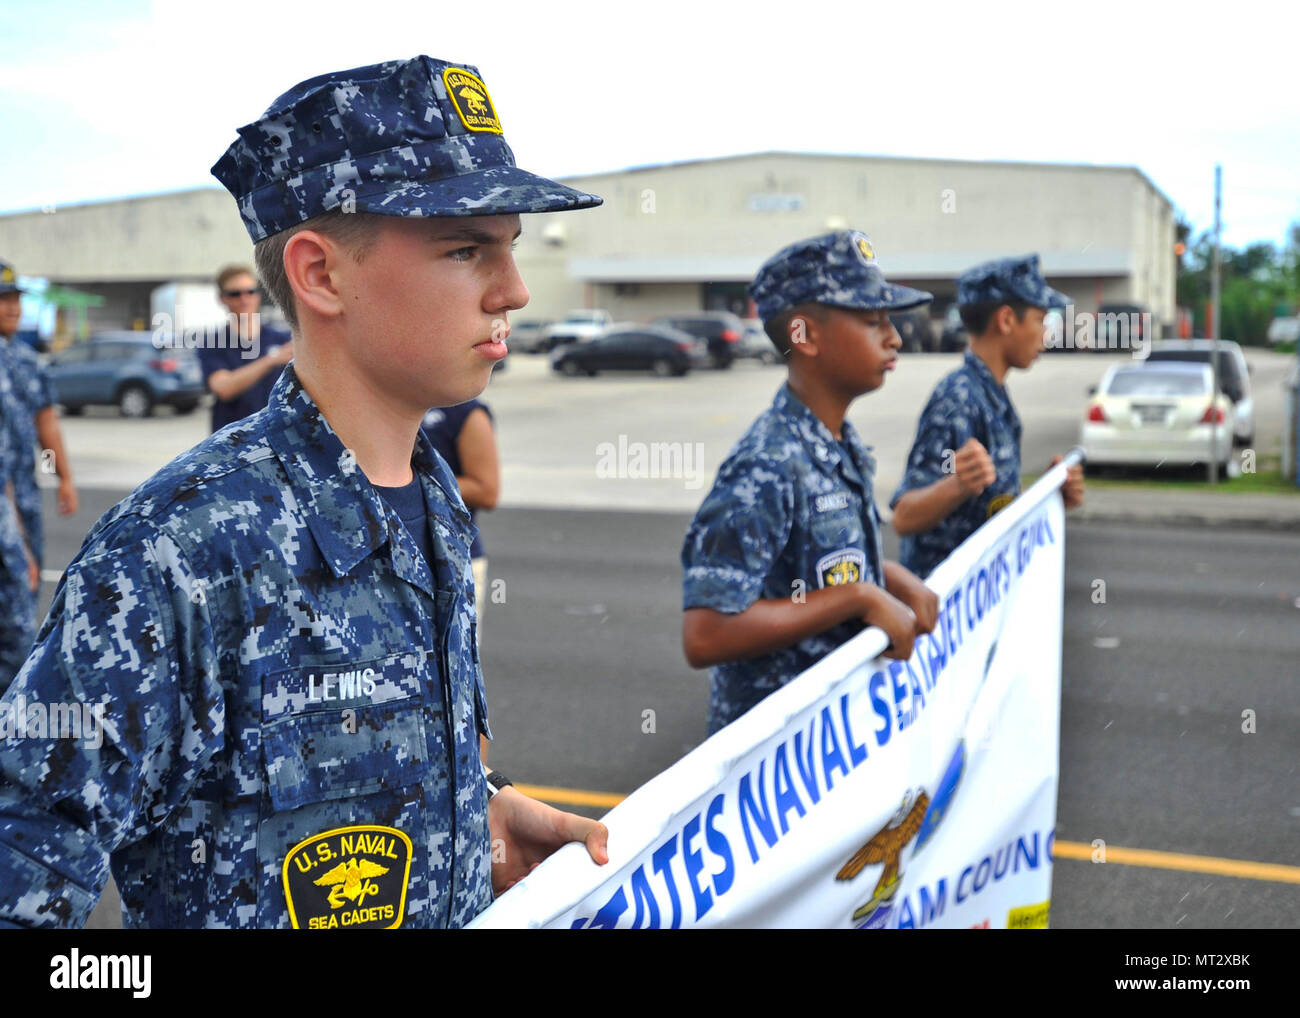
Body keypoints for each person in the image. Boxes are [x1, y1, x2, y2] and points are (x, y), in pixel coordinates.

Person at [0, 54, 608, 929]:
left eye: (509, 249)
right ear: (321, 275)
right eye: (465, 248)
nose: (511, 291)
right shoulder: (184, 549)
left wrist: (477, 814)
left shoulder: (426, 491)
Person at [681, 231, 940, 735]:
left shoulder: (836, 440)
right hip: (777, 762)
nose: (895, 338)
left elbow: (806, 565)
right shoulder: (769, 462)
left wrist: (885, 576)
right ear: (805, 336)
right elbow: (707, 633)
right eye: (872, 321)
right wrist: (858, 597)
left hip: (831, 738)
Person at [890, 255, 1086, 579]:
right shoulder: (957, 399)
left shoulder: (992, 394)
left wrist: (1048, 495)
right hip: (944, 614)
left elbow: (991, 507)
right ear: (1006, 320)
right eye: (1040, 320)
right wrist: (958, 484)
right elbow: (904, 518)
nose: (1045, 335)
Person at [420, 399, 499, 760]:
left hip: (454, 559)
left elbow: (487, 489)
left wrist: (409, 474)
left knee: (459, 678)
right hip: (397, 557)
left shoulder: (463, 412)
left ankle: (478, 782)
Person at [0, 260, 78, 587]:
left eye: (16, 298)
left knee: (23, 603)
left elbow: (44, 422)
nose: (14, 308)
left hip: (24, 494)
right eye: (4, 299)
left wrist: (62, 476)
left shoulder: (27, 360)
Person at [196, 265, 294, 432]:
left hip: (277, 437)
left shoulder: (282, 339)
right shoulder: (212, 342)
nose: (244, 299)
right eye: (235, 294)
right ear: (222, 298)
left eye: (250, 291)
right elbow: (223, 388)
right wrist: (271, 360)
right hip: (233, 443)